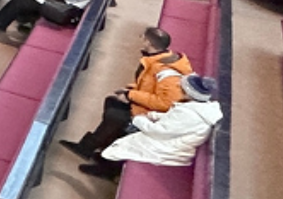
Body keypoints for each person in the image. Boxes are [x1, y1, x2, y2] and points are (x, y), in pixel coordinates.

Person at [60, 26, 192, 158]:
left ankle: (95, 152)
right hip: (148, 106)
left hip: (156, 116)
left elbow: (166, 104)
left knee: (115, 116)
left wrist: (131, 95)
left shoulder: (168, 73)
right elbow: (148, 84)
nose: (141, 39)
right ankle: (100, 145)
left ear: (149, 43)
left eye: (143, 38)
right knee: (112, 102)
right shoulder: (156, 59)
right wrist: (130, 90)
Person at [80, 74, 223, 179]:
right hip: (169, 139)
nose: (179, 87)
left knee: (124, 129)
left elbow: (159, 131)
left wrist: (139, 120)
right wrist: (153, 116)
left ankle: (106, 169)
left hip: (170, 148)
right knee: (123, 124)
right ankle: (105, 158)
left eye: (182, 87)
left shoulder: (191, 113)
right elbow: (172, 120)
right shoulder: (198, 108)